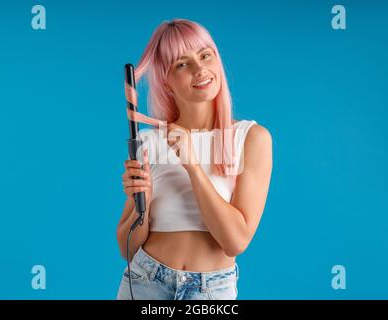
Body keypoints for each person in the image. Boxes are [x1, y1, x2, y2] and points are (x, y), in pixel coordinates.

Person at [116, 18, 273, 300]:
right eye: (182, 64)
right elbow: (127, 250)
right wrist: (144, 202)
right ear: (166, 79)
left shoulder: (251, 137)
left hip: (210, 291)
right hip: (144, 281)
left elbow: (235, 241)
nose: (200, 70)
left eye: (205, 56)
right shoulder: (149, 142)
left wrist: (192, 165)